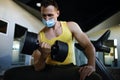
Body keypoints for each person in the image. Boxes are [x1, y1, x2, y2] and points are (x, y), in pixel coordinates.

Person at [3, 0, 102, 80]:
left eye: (50, 15)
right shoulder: (39, 36)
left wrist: (91, 66)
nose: (46, 19)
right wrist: (44, 55)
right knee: (10, 74)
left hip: (68, 68)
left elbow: (88, 46)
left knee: (94, 78)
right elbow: (38, 67)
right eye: (44, 15)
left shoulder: (71, 26)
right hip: (47, 69)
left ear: (57, 13)